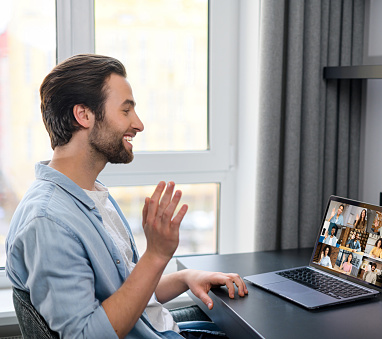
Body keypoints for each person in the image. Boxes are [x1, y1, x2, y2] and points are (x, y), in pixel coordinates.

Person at [5, 54, 248, 339]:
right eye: (126, 110)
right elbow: (86, 335)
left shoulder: (91, 194)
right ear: (83, 115)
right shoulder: (48, 223)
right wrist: (156, 255)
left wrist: (184, 278)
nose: (139, 124)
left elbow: (125, 291)